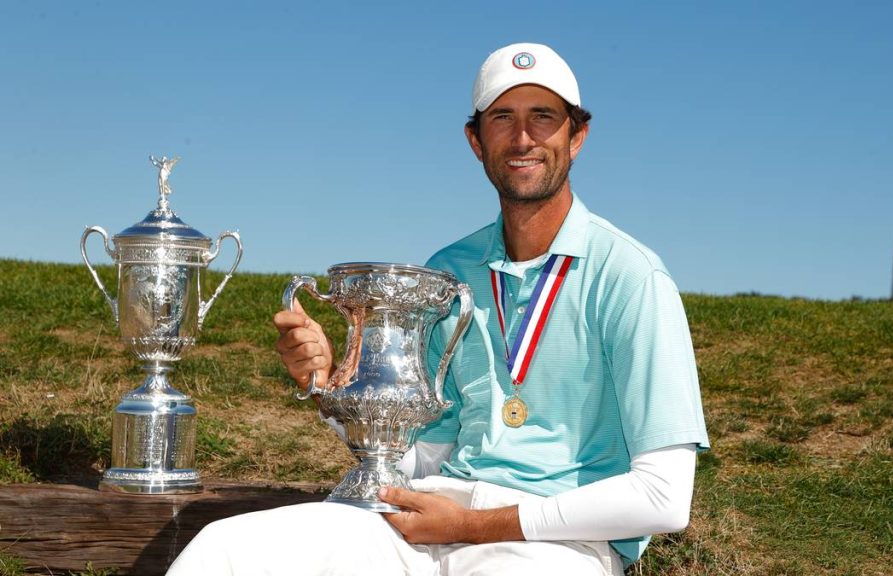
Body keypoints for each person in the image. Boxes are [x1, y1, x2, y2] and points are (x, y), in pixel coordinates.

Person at [167, 42, 709, 576]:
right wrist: (333, 388)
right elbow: (417, 457)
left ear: (578, 136)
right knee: (227, 550)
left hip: (554, 546)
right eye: (502, 118)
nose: (523, 137)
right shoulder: (449, 271)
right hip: (424, 519)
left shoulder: (631, 276)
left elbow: (664, 496)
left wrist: (475, 526)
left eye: (543, 116)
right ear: (476, 140)